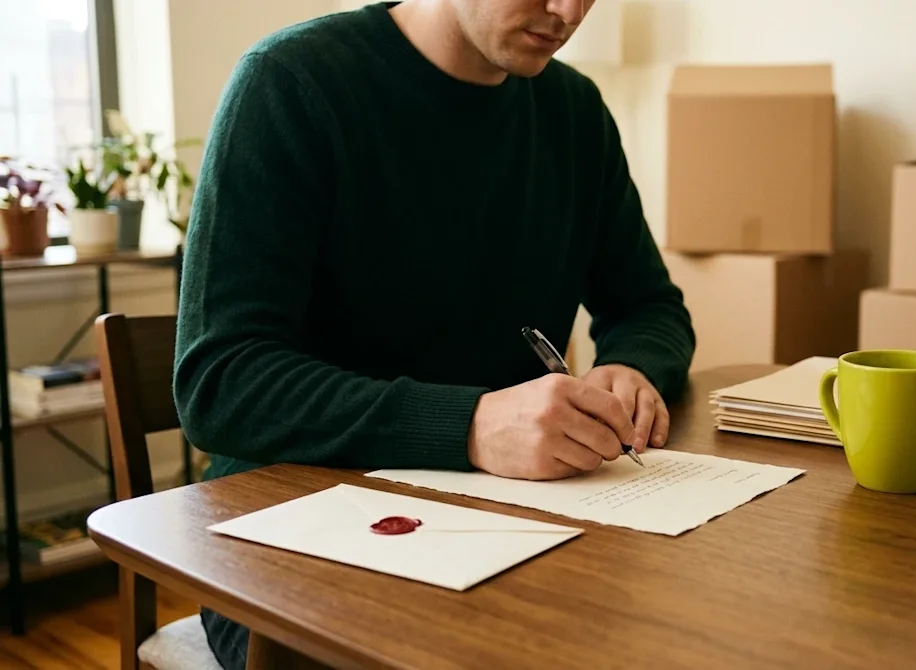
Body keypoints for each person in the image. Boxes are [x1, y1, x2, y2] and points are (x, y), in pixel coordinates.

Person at [172, 0, 695, 667]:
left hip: (510, 523)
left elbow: (650, 305)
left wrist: (635, 364)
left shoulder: (575, 113)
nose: (568, 11)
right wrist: (468, 425)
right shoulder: (291, 83)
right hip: (290, 536)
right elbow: (220, 381)